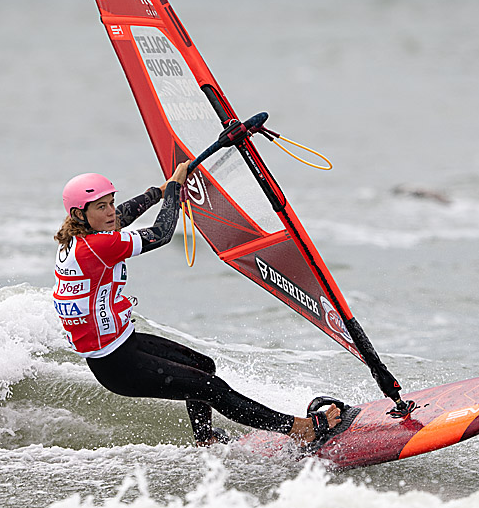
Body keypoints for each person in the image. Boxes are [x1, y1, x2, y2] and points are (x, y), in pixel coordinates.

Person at [53, 160, 342, 448]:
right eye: (101, 206)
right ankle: (297, 428)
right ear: (80, 213)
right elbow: (161, 234)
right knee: (211, 388)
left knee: (203, 365)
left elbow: (121, 217)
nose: (110, 212)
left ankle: (206, 439)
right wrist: (175, 191)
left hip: (124, 344)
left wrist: (158, 191)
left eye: (111, 202)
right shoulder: (98, 246)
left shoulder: (74, 238)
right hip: (117, 364)